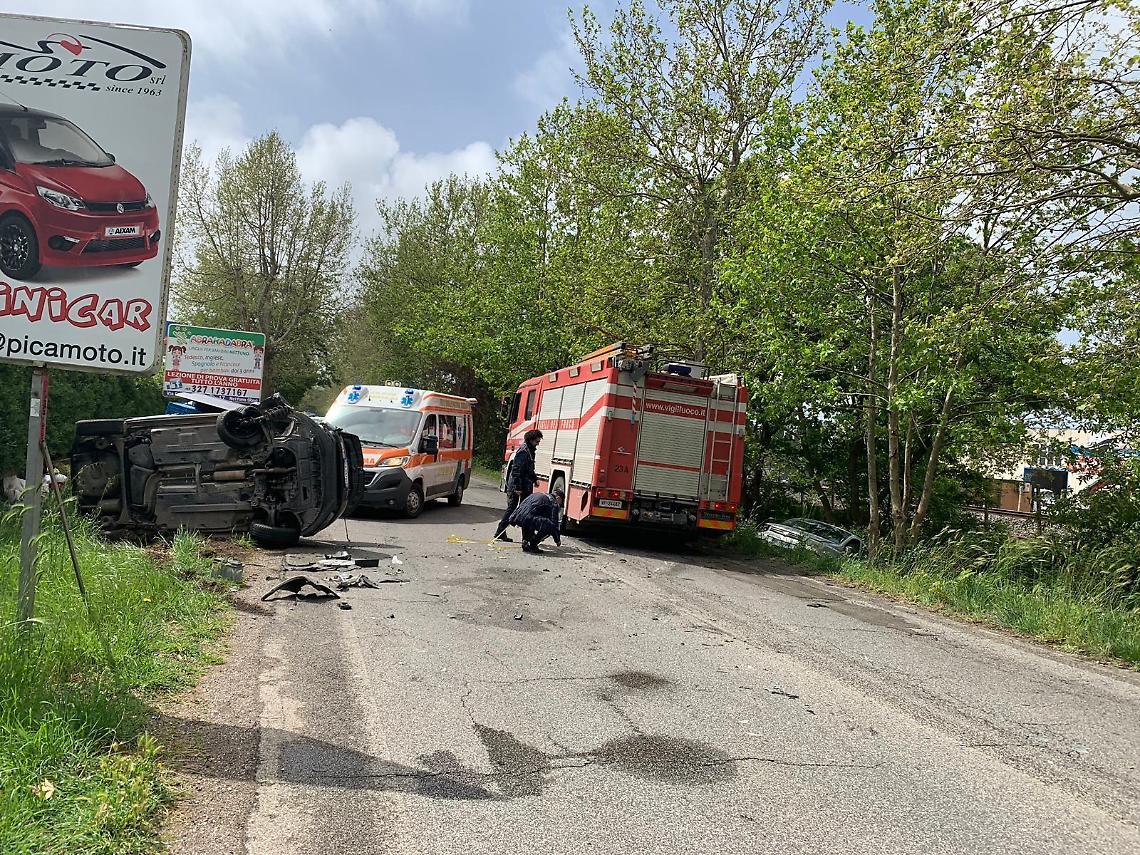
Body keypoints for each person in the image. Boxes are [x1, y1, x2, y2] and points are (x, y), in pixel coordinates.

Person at [493, 429, 542, 542]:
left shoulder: (530, 451)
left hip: (525, 485)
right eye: (537, 441)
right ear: (530, 440)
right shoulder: (523, 452)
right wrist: (518, 487)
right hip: (518, 486)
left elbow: (528, 469)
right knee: (512, 509)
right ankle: (500, 531)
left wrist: (535, 479)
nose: (538, 444)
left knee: (526, 510)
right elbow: (516, 470)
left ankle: (527, 536)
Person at [509, 488, 564, 553]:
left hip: (517, 517)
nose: (560, 504)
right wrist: (557, 540)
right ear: (558, 498)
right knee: (549, 526)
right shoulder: (553, 502)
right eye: (561, 501)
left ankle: (525, 542)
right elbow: (554, 525)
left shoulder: (538, 494)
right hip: (527, 518)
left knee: (530, 519)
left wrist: (512, 518)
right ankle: (532, 545)